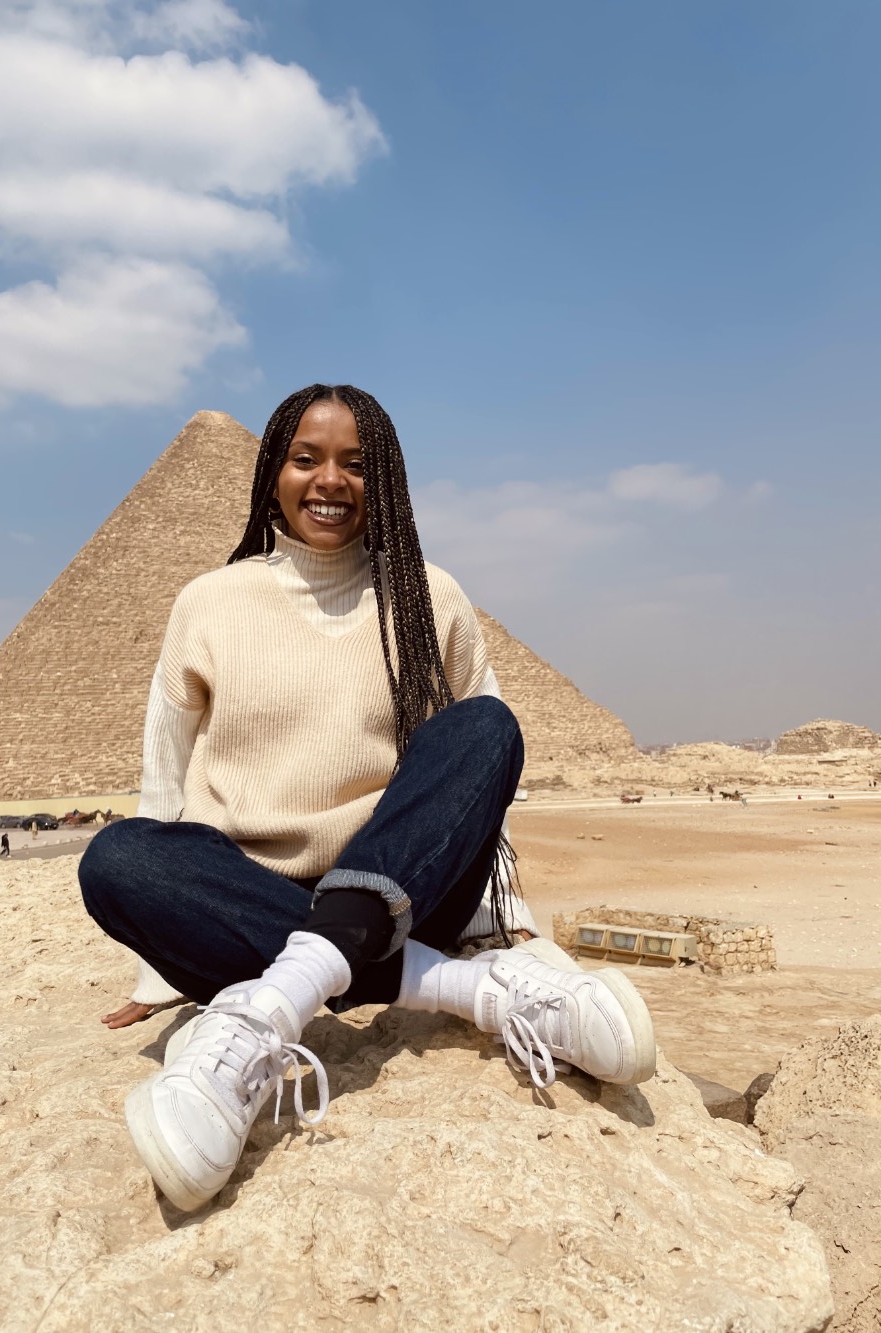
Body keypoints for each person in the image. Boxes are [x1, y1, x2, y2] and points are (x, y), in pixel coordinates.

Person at [79, 384, 656, 1214]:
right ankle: (471, 992)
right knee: (117, 855)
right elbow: (164, 781)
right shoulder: (208, 602)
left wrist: (509, 919)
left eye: (357, 462)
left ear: (384, 478)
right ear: (272, 473)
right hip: (251, 893)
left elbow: (473, 776)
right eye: (306, 458)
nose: (330, 480)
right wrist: (156, 960)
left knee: (487, 725)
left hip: (401, 887)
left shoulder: (430, 597)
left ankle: (263, 1011)